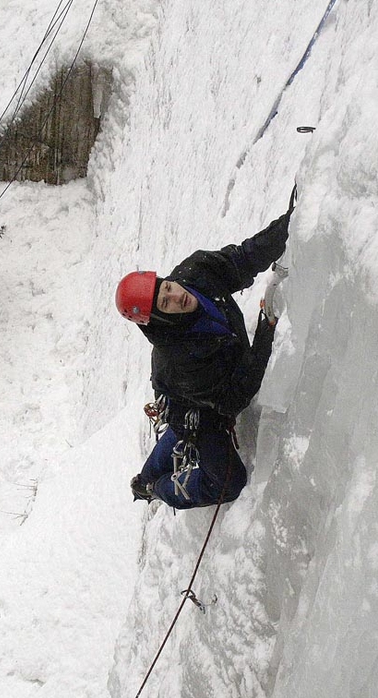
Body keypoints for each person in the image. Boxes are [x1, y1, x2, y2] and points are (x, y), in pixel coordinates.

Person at [115, 193, 294, 509]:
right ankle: (155, 487)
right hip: (196, 406)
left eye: (167, 287)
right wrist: (265, 332)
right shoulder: (178, 361)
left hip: (208, 382)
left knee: (184, 428)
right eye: (165, 303)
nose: (176, 295)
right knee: (226, 482)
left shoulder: (196, 274)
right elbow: (233, 398)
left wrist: (291, 224)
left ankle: (144, 478)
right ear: (158, 319)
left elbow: (244, 258)